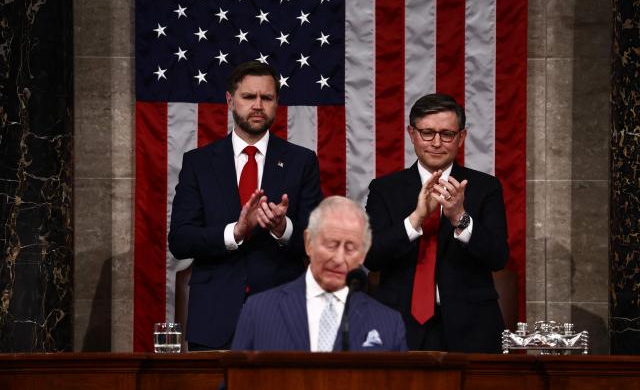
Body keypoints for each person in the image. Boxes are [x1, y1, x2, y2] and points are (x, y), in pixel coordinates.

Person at [169, 61, 323, 350]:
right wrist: (234, 233)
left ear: (276, 102)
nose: (257, 105)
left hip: (283, 316)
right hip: (214, 319)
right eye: (248, 97)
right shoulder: (198, 163)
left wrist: (283, 228)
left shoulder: (301, 162)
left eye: (266, 98)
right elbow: (179, 239)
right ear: (230, 100)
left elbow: (318, 240)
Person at [365, 93, 509, 353]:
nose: (436, 143)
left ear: (461, 137)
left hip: (472, 327)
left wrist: (460, 218)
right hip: (399, 324)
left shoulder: (485, 187)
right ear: (412, 134)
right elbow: (371, 257)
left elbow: (498, 257)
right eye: (427, 133)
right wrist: (416, 218)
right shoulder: (384, 189)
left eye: (447, 134)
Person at [231, 196, 407, 352]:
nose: (338, 259)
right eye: (331, 244)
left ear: (362, 255)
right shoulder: (259, 311)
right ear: (309, 242)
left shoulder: (388, 323)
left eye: (350, 248)